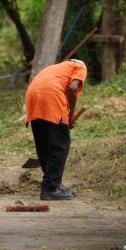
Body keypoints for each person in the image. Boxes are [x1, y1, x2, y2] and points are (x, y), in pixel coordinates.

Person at [25, 59, 87, 200]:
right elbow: (72, 88)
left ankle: (54, 184)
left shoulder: (57, 68)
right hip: (51, 96)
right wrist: (70, 114)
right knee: (60, 145)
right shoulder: (80, 66)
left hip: (33, 95)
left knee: (44, 144)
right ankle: (50, 188)